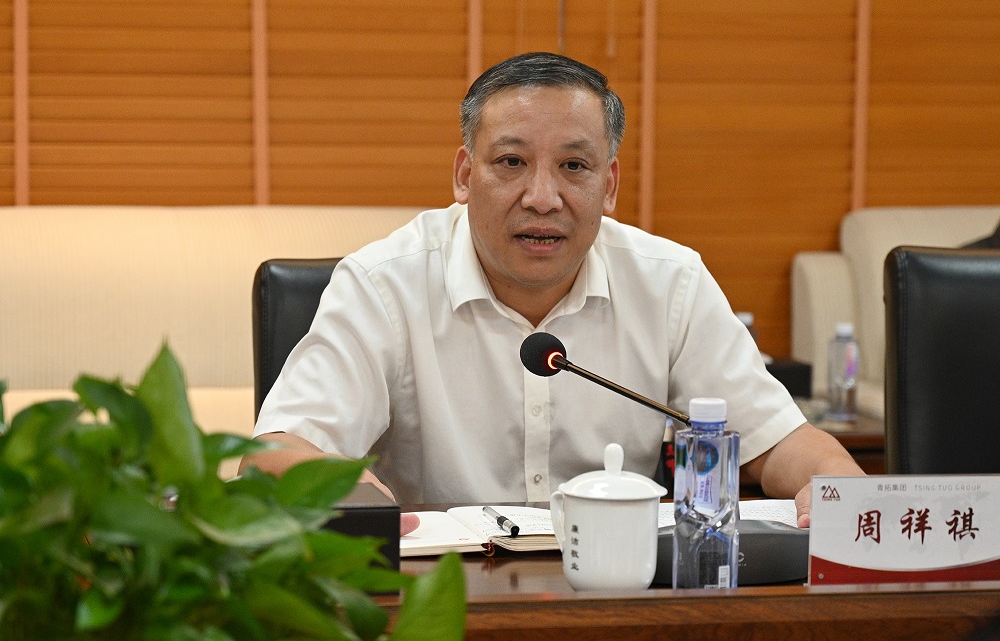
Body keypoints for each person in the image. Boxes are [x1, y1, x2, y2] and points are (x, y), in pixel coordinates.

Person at [243, 52, 864, 531]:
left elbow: (778, 440)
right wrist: (347, 491)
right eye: (511, 162)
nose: (543, 198)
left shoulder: (670, 282)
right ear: (464, 175)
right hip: (438, 595)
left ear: (608, 185)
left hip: (618, 592)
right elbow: (273, 452)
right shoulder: (383, 284)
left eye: (574, 166)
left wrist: (833, 481)